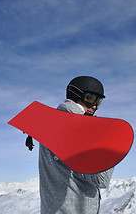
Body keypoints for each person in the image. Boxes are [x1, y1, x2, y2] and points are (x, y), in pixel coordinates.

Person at [39, 76, 114, 214]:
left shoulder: (47, 124)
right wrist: (111, 146)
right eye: (90, 98)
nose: (94, 106)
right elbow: (101, 180)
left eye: (99, 101)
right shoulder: (80, 131)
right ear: (75, 95)